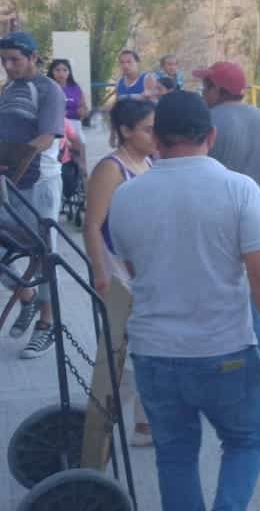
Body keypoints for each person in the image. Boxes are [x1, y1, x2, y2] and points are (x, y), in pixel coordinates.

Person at [110, 91, 260, 510]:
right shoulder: (238, 189)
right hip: (224, 348)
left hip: (154, 353)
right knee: (247, 442)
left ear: (156, 139)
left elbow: (133, 269)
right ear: (211, 135)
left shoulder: (126, 195)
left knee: (174, 455)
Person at [198, 61, 260, 340]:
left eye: (206, 87)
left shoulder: (208, 124)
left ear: (218, 90)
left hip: (218, 231)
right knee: (258, 300)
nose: (203, 93)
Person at [83, 98, 155, 446]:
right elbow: (93, 225)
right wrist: (101, 272)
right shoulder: (110, 168)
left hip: (147, 270)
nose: (155, 135)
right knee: (121, 354)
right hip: (118, 270)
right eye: (148, 129)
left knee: (147, 347)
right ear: (125, 131)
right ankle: (99, 427)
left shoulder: (151, 162)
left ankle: (144, 425)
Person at [0, 32, 67, 359]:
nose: (8, 66)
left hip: (40, 183)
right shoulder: (7, 90)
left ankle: (47, 323)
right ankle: (25, 299)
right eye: (4, 61)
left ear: (32, 57)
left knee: (44, 255)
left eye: (14, 59)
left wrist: (18, 160)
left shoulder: (49, 90)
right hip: (9, 185)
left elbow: (46, 137)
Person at [48, 58, 87, 137]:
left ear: (69, 72)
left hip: (75, 125)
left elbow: (84, 107)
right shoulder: (48, 87)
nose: (61, 73)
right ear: (52, 71)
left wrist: (83, 111)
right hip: (55, 128)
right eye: (57, 70)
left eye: (65, 70)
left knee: (80, 146)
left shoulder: (75, 87)